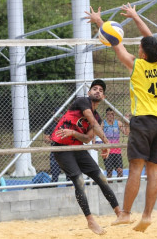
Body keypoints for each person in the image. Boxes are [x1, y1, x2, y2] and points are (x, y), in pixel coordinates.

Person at [85, 3, 157, 232]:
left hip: (143, 121)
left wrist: (100, 23)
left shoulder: (136, 66)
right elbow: (152, 39)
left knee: (135, 168)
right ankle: (148, 215)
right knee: (153, 171)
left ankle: (124, 213)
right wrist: (135, 16)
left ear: (142, 53)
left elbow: (115, 42)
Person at [50, 79, 120, 235]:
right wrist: (106, 142)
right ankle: (91, 221)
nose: (97, 91)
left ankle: (119, 213)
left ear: (103, 97)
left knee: (101, 178)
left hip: (77, 147)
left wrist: (74, 133)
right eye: (94, 89)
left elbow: (88, 138)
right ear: (89, 93)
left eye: (101, 90)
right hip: (61, 147)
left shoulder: (99, 118)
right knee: (79, 181)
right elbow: (93, 123)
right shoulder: (82, 101)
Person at [98, 107, 130, 181]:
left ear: (114, 115)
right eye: (108, 114)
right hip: (107, 151)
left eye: (112, 114)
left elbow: (126, 133)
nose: (110, 116)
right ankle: (110, 189)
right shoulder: (103, 123)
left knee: (120, 171)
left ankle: (120, 185)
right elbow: (97, 133)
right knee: (109, 172)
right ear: (106, 115)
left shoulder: (118, 123)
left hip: (117, 151)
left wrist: (126, 122)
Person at [44, 108, 70, 183]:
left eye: (61, 115)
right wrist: (56, 138)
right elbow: (46, 139)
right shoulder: (50, 124)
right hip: (55, 150)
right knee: (55, 172)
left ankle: (69, 186)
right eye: (57, 115)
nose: (59, 117)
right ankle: (54, 185)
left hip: (66, 150)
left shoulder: (66, 124)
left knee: (69, 171)